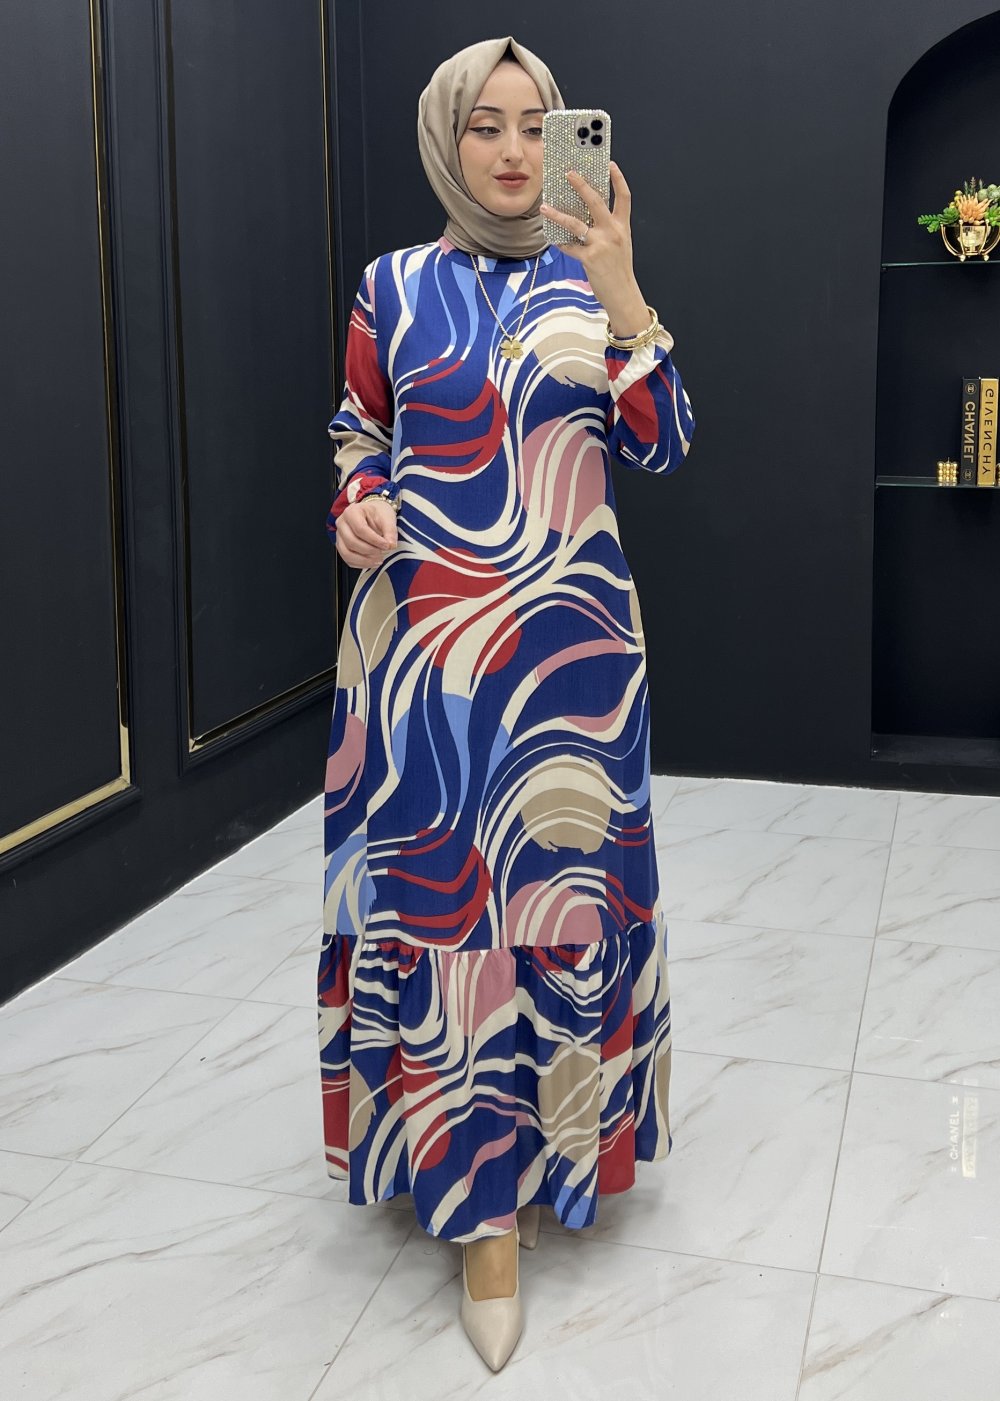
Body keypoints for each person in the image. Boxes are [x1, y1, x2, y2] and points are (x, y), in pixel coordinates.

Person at [317, 34, 695, 1372]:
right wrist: (358, 505)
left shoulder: (592, 281)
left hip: (574, 667)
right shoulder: (391, 288)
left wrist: (627, 294)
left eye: (538, 124)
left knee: (560, 907)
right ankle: (480, 1214)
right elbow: (358, 435)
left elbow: (664, 441)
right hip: (427, 666)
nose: (517, 151)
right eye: (486, 125)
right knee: (446, 920)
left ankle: (558, 1151)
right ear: (446, 138)